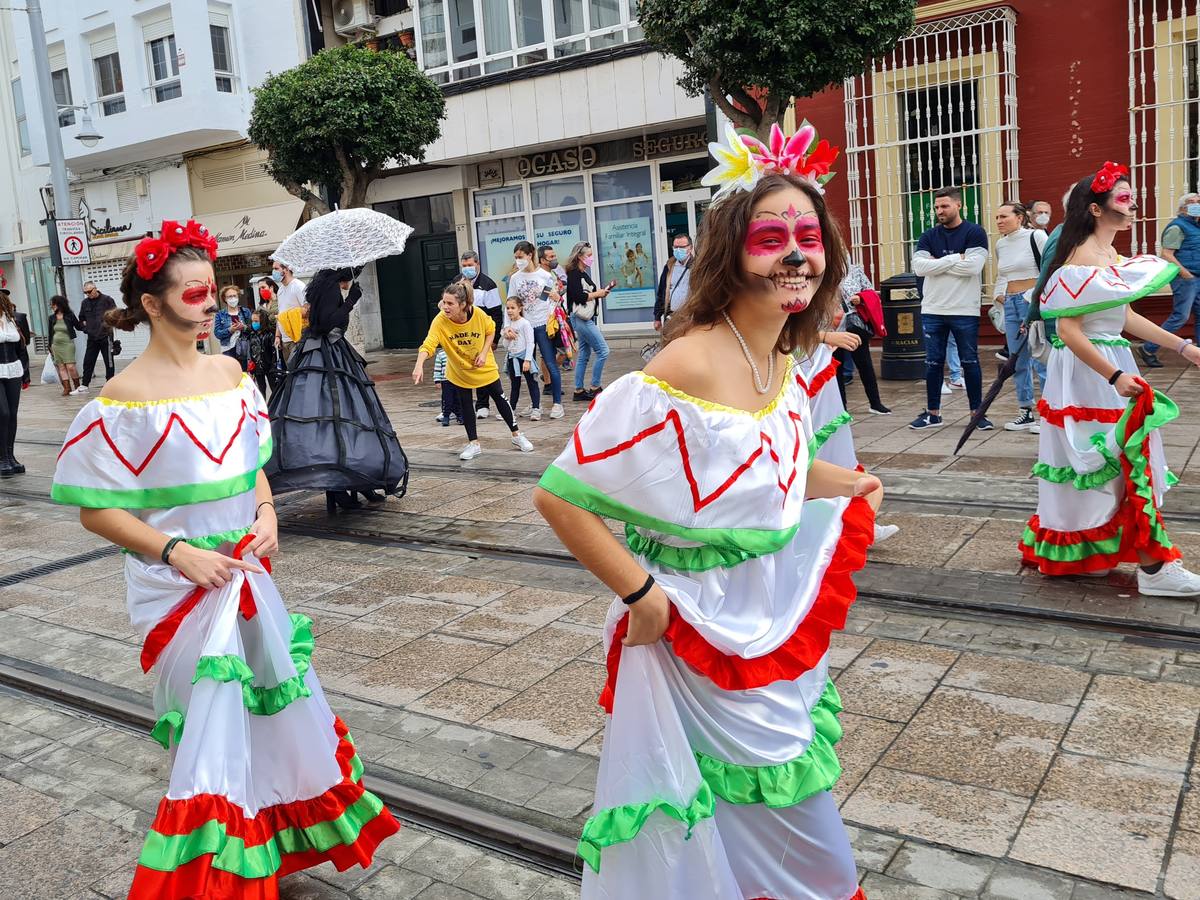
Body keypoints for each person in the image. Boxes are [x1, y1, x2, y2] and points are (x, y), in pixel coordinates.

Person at [534, 126, 877, 898]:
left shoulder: (784, 359)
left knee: (752, 806)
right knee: (787, 813)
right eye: (772, 237)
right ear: (732, 253)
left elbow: (771, 468)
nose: (796, 254)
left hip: (767, 619)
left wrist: (844, 483)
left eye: (808, 237)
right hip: (695, 626)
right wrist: (639, 594)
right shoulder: (686, 362)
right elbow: (560, 493)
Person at [48, 220, 400, 895]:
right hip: (174, 591)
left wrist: (267, 513)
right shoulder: (121, 399)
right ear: (152, 304)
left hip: (246, 576)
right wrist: (176, 552)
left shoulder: (233, 376)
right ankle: (216, 878)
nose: (210, 303)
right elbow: (96, 509)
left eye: (212, 291)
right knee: (206, 732)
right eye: (193, 293)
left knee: (267, 714)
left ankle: (263, 848)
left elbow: (251, 469)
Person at [1023, 163, 1200, 596]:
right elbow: (1068, 331)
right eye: (1122, 196)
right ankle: (1155, 569)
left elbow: (1126, 317)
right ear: (1096, 209)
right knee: (1118, 460)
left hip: (1106, 366)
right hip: (1090, 373)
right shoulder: (1080, 257)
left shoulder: (1110, 257)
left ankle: (1093, 554)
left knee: (1115, 461)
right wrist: (1115, 374)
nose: (1132, 201)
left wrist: (1183, 347)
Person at [266, 266, 407, 511]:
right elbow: (327, 322)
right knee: (340, 416)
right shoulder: (330, 288)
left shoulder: (321, 284)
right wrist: (351, 301)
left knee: (342, 417)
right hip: (328, 355)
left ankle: (355, 481)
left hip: (320, 353)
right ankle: (341, 485)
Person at [413, 281, 534, 460]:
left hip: (484, 366)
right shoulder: (440, 321)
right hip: (459, 370)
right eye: (443, 302)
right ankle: (474, 443)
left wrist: (484, 353)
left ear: (463, 305)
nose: (445, 307)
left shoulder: (477, 314)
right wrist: (419, 363)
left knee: (500, 398)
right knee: (466, 404)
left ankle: (517, 435)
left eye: (450, 303)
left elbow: (490, 330)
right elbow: (429, 343)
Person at [909, 187, 990, 430]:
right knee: (933, 363)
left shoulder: (975, 232)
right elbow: (920, 268)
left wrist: (938, 263)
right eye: (936, 207)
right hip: (933, 308)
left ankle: (977, 414)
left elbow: (974, 267)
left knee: (970, 362)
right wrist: (957, 258)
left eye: (944, 206)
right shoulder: (928, 235)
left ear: (958, 205)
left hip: (964, 308)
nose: (939, 211)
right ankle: (933, 414)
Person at [993, 201, 1049, 432]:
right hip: (1011, 302)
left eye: (1004, 216)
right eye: (997, 217)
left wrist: (1036, 299)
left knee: (1040, 357)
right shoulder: (1000, 244)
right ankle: (1025, 411)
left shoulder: (1036, 237)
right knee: (1017, 360)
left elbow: (1050, 267)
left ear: (1020, 217)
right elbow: (1003, 275)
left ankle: (1049, 415)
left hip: (1031, 300)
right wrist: (999, 296)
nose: (999, 221)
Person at [1137, 192, 1200, 369]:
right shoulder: (1177, 227)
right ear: (1182, 208)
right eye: (1191, 202)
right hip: (1186, 279)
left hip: (1196, 277)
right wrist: (1186, 273)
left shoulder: (1196, 226)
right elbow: (1166, 254)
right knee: (1181, 316)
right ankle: (1148, 348)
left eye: (1198, 202)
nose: (1196, 204)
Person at [509, 240, 564, 419]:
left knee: (550, 363)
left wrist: (556, 298)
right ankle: (535, 404)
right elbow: (510, 303)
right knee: (528, 367)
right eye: (516, 257)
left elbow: (550, 300)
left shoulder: (544, 276)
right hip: (525, 326)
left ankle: (557, 404)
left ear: (530, 255)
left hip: (542, 325)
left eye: (520, 257)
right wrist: (508, 327)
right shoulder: (515, 278)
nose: (518, 260)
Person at [834, 261, 890, 414]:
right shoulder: (821, 270)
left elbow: (870, 291)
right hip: (833, 324)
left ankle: (875, 403)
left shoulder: (854, 270)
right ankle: (841, 408)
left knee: (864, 363)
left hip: (855, 323)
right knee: (836, 366)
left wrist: (860, 297)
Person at [563, 241, 611, 401]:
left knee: (584, 353)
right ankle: (595, 387)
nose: (591, 258)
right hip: (581, 318)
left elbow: (585, 293)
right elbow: (579, 296)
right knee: (603, 351)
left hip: (585, 317)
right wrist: (598, 294)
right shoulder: (575, 274)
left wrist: (600, 292)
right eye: (588, 255)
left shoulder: (582, 273)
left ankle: (578, 390)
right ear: (579, 256)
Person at [459, 250, 503, 418]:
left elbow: (496, 313)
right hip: (463, 333)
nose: (467, 268)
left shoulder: (488, 284)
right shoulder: (458, 282)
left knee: (481, 367)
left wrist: (495, 338)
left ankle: (483, 404)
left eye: (470, 265)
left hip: (483, 333)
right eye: (464, 266)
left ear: (477, 264)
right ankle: (462, 405)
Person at [73, 280, 117, 394]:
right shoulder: (85, 303)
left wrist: (108, 325)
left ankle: (110, 383)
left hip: (105, 335)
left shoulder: (107, 300)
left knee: (109, 361)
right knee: (88, 361)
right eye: (85, 292)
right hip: (92, 337)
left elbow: (115, 314)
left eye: (89, 291)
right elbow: (81, 318)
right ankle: (84, 385)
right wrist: (85, 329)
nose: (88, 294)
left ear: (95, 289)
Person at [501, 295, 540, 417]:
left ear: (520, 308)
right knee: (515, 385)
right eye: (507, 308)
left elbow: (530, 342)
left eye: (512, 308)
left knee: (531, 382)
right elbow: (506, 345)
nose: (509, 311)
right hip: (512, 358)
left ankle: (536, 408)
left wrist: (527, 360)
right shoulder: (509, 326)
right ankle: (511, 409)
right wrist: (507, 337)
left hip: (523, 357)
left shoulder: (525, 324)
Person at [0, 288, 25, 477]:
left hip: (14, 369)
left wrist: (25, 373)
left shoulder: (14, 319)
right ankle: (2, 458)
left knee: (13, 414)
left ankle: (10, 456)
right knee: (3, 413)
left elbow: (22, 347)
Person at [654, 233, 693, 331]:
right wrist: (657, 317)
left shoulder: (697, 267)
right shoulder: (669, 266)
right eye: (676, 247)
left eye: (682, 247)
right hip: (671, 315)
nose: (678, 250)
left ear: (690, 248)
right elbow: (661, 291)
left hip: (690, 316)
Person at [271, 260, 306, 364]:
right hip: (285, 340)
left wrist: (290, 315)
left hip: (297, 339)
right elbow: (280, 315)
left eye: (276, 268)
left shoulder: (298, 286)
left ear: (286, 269)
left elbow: (307, 310)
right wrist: (278, 336)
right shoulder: (281, 290)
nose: (273, 272)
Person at [47, 295, 83, 395]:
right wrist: (49, 346)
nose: (52, 306)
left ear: (60, 304)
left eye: (53, 304)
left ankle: (77, 386)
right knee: (61, 367)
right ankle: (67, 388)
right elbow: (50, 333)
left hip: (67, 344)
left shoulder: (70, 315)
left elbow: (78, 326)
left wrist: (87, 324)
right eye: (51, 305)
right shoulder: (51, 318)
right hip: (55, 345)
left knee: (71, 366)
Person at [214, 284, 251, 367]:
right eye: (229, 297)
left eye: (234, 296)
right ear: (225, 299)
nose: (233, 298)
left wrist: (243, 327)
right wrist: (229, 330)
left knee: (244, 373)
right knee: (231, 373)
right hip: (228, 349)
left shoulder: (246, 312)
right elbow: (217, 333)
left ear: (238, 296)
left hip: (244, 348)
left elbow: (253, 328)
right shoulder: (220, 314)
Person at [245, 309, 277, 398]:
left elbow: (274, 353)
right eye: (252, 321)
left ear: (262, 321)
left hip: (269, 366)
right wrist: (251, 368)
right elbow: (251, 352)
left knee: (274, 388)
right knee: (261, 390)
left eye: (256, 321)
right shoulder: (252, 335)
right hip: (257, 367)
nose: (253, 323)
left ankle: (275, 407)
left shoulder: (269, 335)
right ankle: (263, 408)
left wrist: (273, 366)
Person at [433, 347, 462, 426]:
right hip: (446, 381)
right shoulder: (441, 354)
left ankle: (460, 415)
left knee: (458, 398)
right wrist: (437, 380)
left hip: (457, 380)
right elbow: (437, 368)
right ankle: (446, 416)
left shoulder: (458, 353)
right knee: (447, 399)